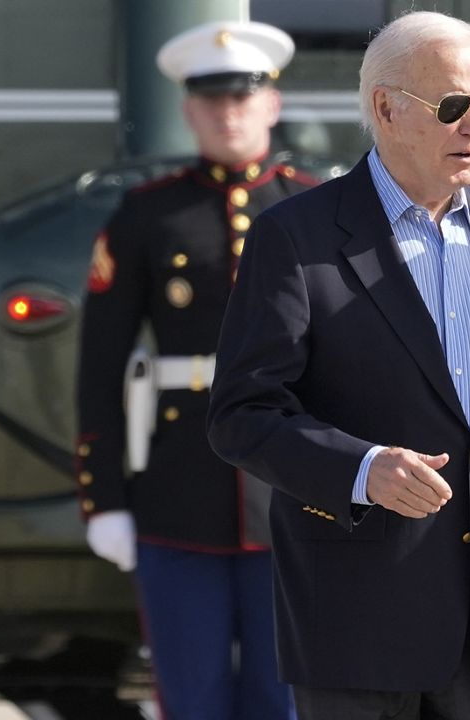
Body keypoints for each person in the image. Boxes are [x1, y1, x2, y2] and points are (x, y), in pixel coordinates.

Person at [205, 11, 470, 720]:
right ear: (385, 109)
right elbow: (241, 414)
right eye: (452, 107)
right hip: (356, 632)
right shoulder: (295, 237)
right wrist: (360, 469)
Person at [75, 19, 314, 720]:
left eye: (243, 98)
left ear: (271, 104)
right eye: (211, 100)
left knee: (285, 700)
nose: (227, 112)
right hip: (176, 497)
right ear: (188, 110)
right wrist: (105, 497)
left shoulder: (314, 207)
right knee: (192, 699)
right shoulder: (147, 215)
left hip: (293, 499)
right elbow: (101, 364)